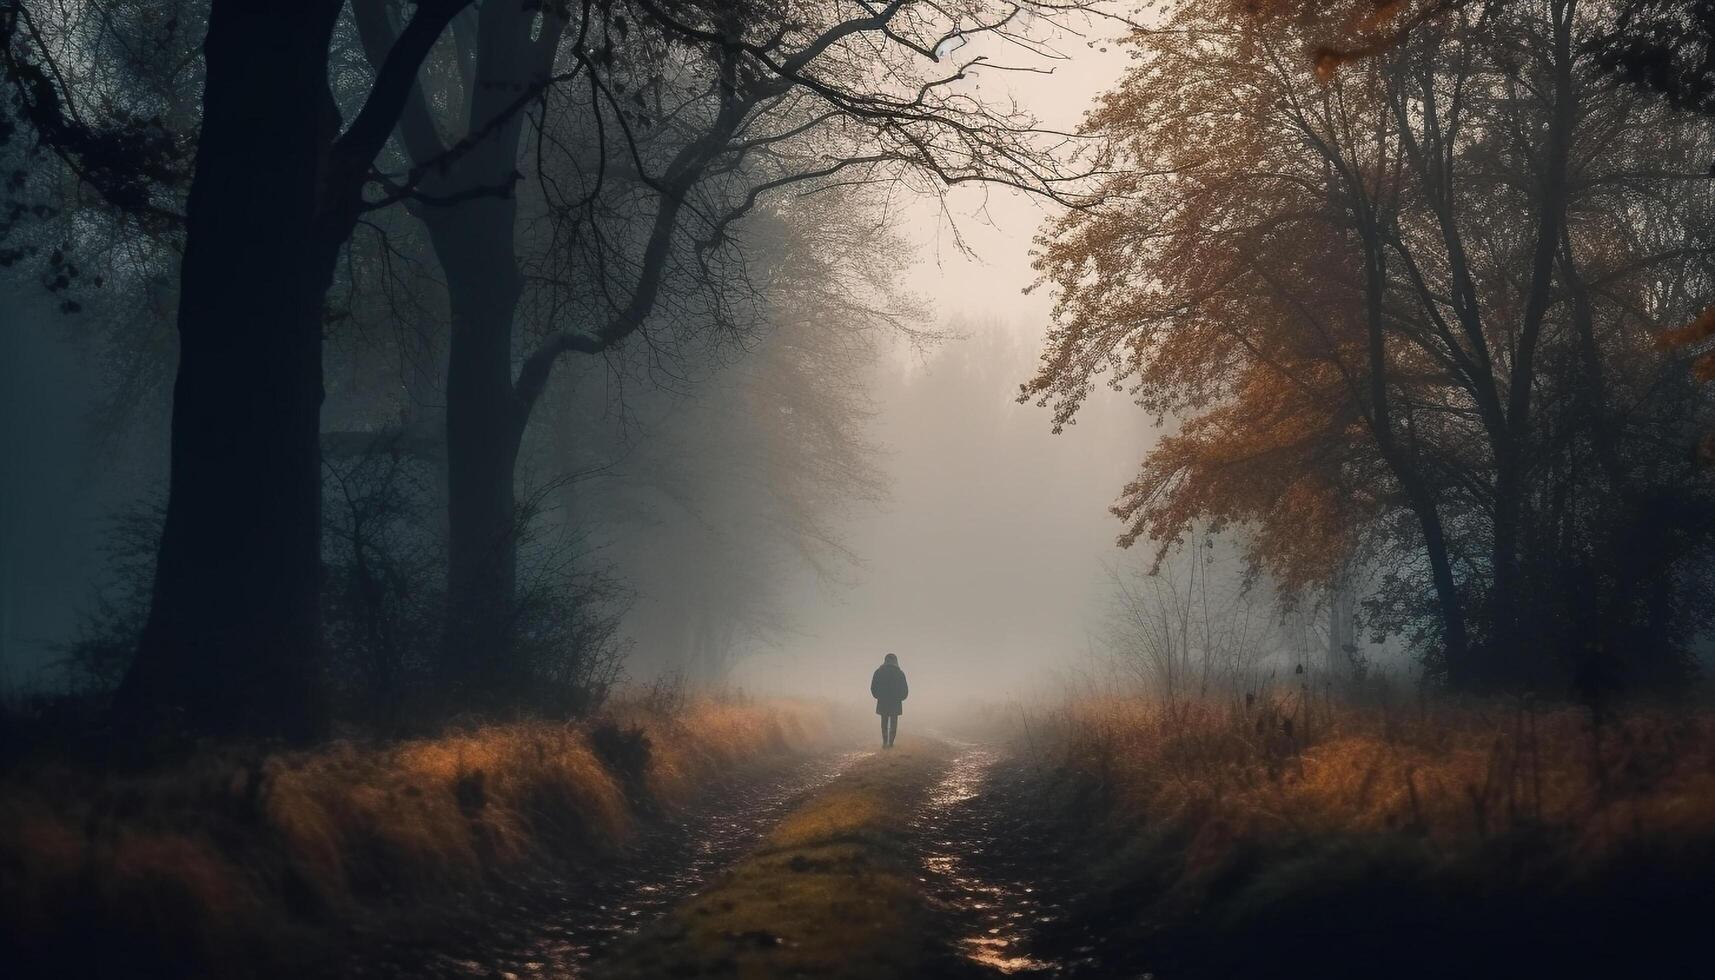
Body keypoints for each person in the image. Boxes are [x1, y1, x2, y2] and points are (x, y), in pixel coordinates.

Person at [870, 653, 908, 748]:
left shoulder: (878, 672)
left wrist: (877, 696)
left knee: (884, 721)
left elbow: (873, 687)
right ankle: (891, 743)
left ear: (885, 660)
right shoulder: (900, 673)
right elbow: (905, 689)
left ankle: (884, 742)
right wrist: (901, 698)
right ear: (896, 661)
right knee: (894, 723)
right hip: (895, 702)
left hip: (883, 701)